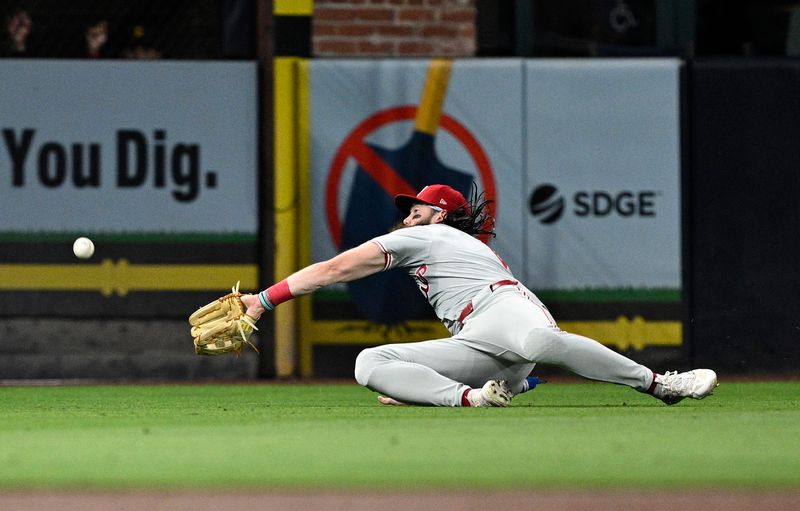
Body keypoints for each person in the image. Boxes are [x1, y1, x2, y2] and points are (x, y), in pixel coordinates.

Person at [240, 184, 718, 407]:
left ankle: (659, 383)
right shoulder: (438, 243)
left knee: (538, 344)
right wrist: (418, 389)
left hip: (506, 309)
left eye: (418, 210)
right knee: (371, 365)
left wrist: (264, 300)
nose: (407, 218)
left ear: (442, 217)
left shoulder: (429, 238)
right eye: (407, 213)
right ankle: (473, 398)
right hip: (476, 341)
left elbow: (335, 268)